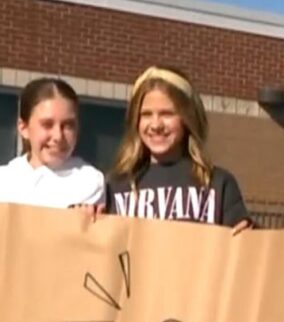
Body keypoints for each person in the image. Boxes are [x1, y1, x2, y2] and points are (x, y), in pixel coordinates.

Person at [103, 66, 251, 232]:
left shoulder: (218, 184)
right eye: (146, 114)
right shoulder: (114, 186)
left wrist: (250, 237)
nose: (156, 125)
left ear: (187, 119)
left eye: (167, 114)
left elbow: (244, 249)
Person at [0, 78, 103, 208]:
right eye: (47, 124)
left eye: (68, 125)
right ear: (24, 128)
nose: (58, 136)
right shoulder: (4, 181)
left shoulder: (89, 182)